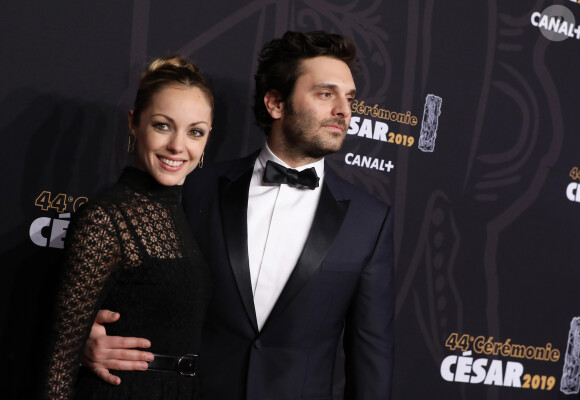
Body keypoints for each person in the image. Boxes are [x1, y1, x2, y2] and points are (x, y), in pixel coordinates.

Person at [84, 31, 395, 400]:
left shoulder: (369, 220)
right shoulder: (195, 188)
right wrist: (85, 336)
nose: (343, 109)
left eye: (349, 97)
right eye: (326, 94)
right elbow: (141, 289)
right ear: (276, 103)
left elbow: (370, 357)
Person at [44, 55, 214, 400]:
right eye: (163, 125)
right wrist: (83, 345)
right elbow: (58, 366)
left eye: (195, 131)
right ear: (135, 124)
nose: (178, 146)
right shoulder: (106, 217)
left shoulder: (181, 215)